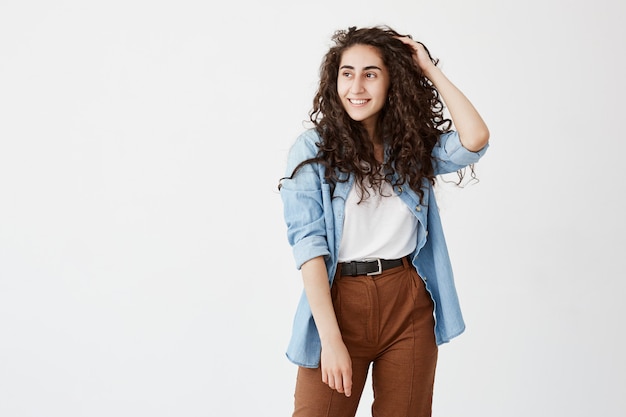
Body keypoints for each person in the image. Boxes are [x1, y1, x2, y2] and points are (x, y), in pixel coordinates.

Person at [278, 25, 489, 417]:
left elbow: (474, 138)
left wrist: (428, 69)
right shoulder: (312, 150)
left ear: (393, 81)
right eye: (347, 73)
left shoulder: (411, 145)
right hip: (339, 302)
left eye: (371, 73)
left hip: (407, 298)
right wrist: (331, 340)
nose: (356, 86)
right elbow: (309, 249)